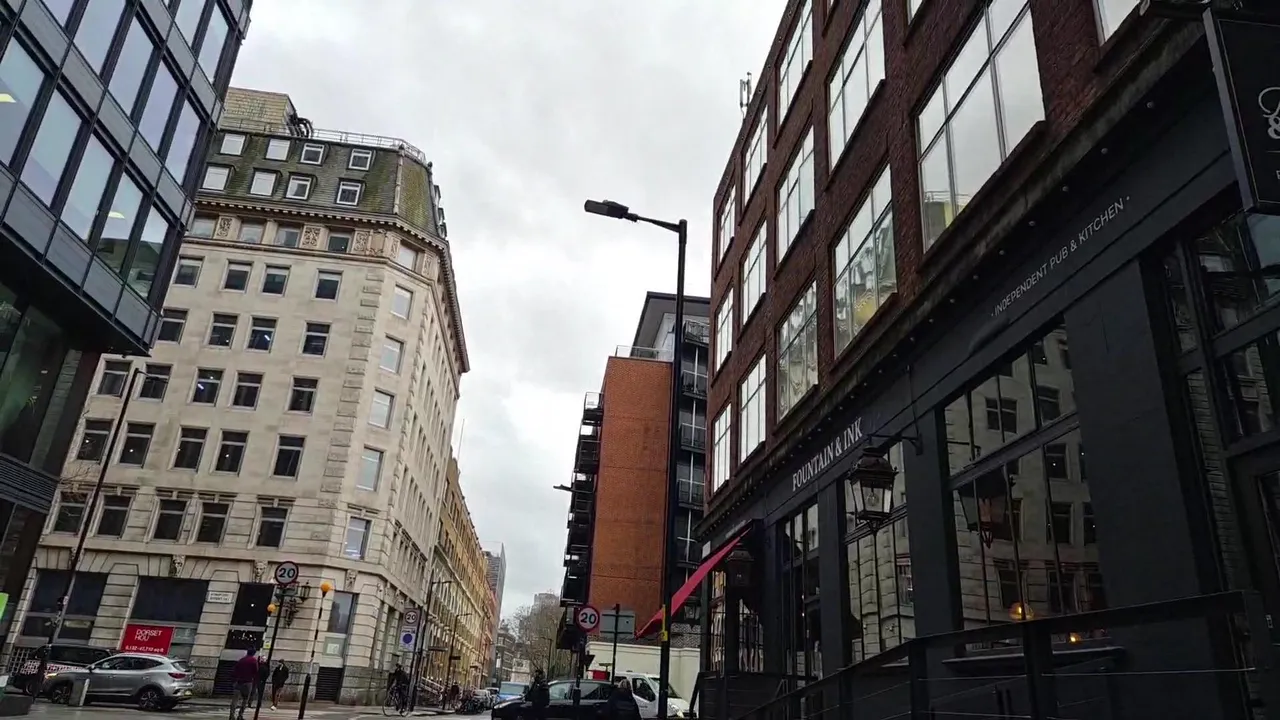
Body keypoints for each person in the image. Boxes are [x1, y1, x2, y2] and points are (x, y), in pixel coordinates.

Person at [228, 648, 260, 720]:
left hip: (238, 682)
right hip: (247, 682)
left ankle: (231, 715)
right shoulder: (254, 661)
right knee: (245, 700)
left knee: (235, 700)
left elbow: (235, 670)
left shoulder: (241, 660)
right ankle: (240, 715)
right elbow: (256, 672)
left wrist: (234, 680)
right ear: (254, 653)